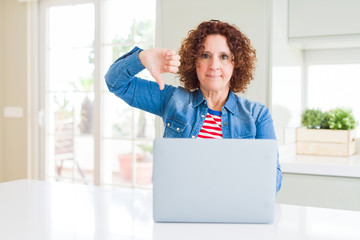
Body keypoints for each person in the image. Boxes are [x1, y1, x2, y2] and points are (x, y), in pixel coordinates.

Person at [105, 20, 282, 192]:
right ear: (194, 62)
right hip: (181, 211)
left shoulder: (257, 115)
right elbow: (116, 83)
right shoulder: (173, 100)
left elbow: (274, 181)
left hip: (233, 211)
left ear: (236, 65)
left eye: (224, 57)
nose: (214, 66)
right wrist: (141, 58)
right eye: (205, 55)